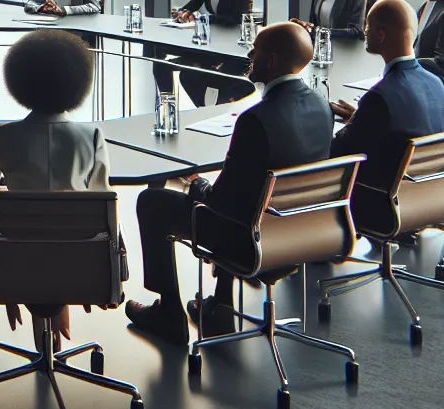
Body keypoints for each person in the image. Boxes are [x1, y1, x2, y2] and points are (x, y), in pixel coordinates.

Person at [125, 23, 332, 345]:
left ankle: (168, 314)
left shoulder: (255, 120)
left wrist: (196, 184)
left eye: (257, 50)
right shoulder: (321, 104)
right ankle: (220, 303)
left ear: (272, 60)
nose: (249, 55)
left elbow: (220, 203)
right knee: (246, 199)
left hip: (250, 240)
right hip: (302, 232)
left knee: (152, 202)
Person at [0, 28, 108, 339]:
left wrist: (15, 184)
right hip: (77, 258)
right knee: (60, 235)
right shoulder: (92, 137)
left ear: (20, 81)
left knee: (31, 235)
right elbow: (101, 199)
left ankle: (41, 311)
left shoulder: (5, 136)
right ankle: (58, 311)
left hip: (17, 257)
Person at [329, 0, 444, 188]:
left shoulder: (380, 97)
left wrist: (349, 124)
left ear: (381, 35)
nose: (365, 32)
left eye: (367, 27)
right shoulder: (435, 84)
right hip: (424, 190)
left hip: (377, 197)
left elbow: (339, 152)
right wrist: (362, 118)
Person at [152, 0, 253, 106]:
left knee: (188, 74)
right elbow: (193, 3)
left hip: (226, 48)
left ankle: (204, 108)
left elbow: (235, 18)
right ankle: (167, 107)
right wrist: (181, 13)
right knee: (160, 63)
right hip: (205, 44)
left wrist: (205, 18)